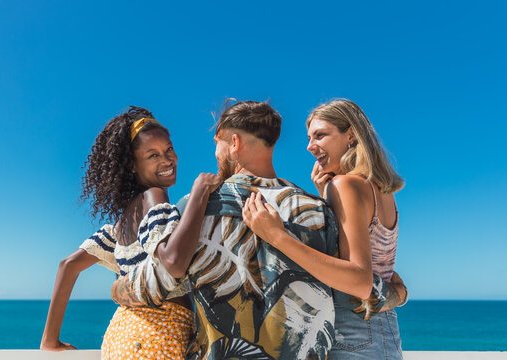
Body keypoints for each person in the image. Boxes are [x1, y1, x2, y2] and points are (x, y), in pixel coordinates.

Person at [110, 100, 404, 359]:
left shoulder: (196, 206)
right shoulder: (317, 210)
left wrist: (117, 290)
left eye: (218, 144)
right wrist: (397, 293)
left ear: (234, 143)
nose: (216, 154)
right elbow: (349, 288)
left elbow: (162, 278)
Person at [40, 106, 220, 359]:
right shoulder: (154, 196)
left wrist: (49, 341)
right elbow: (174, 263)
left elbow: (67, 265)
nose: (167, 160)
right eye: (152, 155)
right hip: (157, 338)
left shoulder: (121, 224)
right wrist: (199, 193)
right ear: (133, 166)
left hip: (119, 337)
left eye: (168, 149)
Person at [242, 99, 407, 359]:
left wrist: (277, 236)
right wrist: (327, 202)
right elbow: (373, 262)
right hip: (383, 328)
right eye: (309, 138)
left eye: (320, 135)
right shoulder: (381, 192)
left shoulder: (345, 185)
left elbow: (359, 279)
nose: (310, 146)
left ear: (351, 135)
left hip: (352, 332)